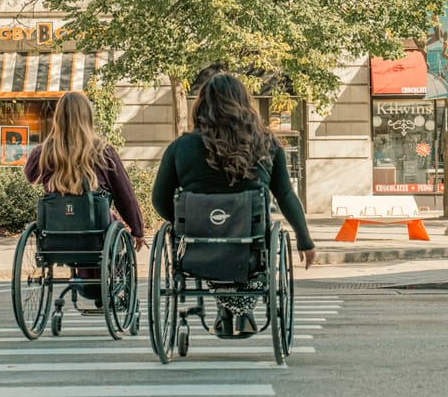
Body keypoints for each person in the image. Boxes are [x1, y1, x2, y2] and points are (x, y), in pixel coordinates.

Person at [152, 72, 316, 336]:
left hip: (198, 246)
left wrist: (188, 221)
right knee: (245, 242)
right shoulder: (267, 144)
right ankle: (240, 310)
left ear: (201, 105)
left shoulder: (181, 147)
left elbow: (159, 199)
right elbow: (285, 195)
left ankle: (230, 310)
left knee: (218, 243)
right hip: (249, 246)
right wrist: (305, 240)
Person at [24, 92, 147, 301]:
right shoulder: (103, 151)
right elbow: (124, 194)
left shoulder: (43, 152)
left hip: (56, 234)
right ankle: (110, 284)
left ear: (58, 118)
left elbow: (30, 175)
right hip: (95, 233)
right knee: (111, 225)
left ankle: (84, 282)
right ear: (88, 117)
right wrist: (137, 230)